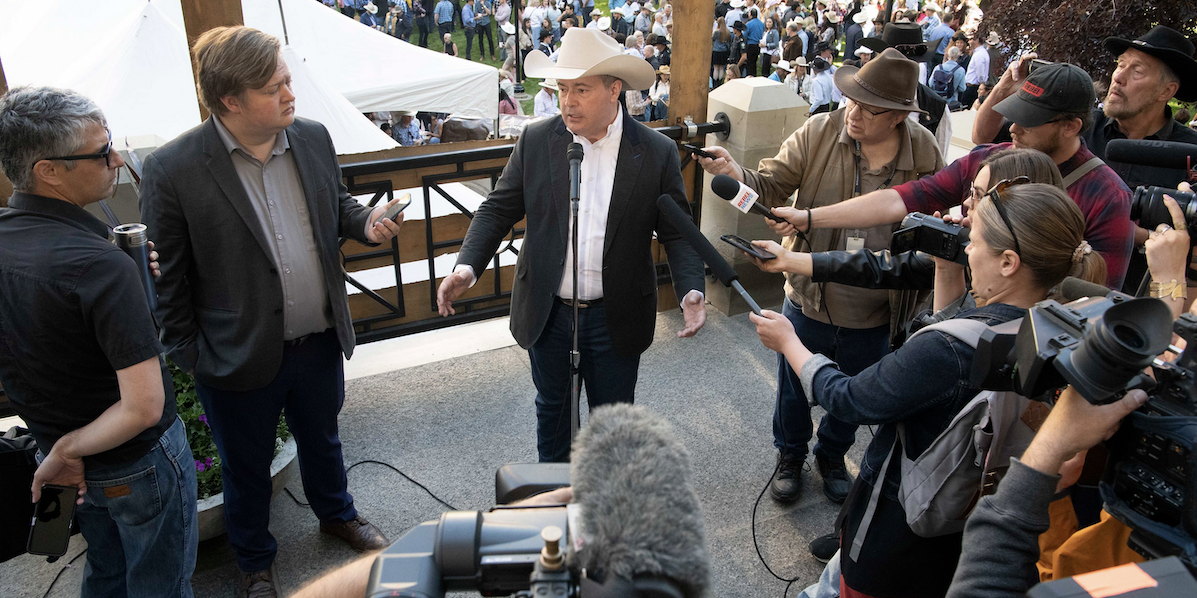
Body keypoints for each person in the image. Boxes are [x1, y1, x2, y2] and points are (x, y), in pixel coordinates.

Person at [139, 27, 403, 598]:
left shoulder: (310, 137)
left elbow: (336, 205)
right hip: (235, 354)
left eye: (288, 80)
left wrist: (364, 223)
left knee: (323, 437)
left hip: (318, 337)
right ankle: (255, 560)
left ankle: (337, 514)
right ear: (231, 101)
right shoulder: (173, 168)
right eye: (276, 85)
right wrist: (192, 355)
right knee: (245, 466)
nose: (291, 93)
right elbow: (170, 279)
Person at [753, 181, 1107, 598]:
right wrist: (946, 269)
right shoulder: (1068, 328)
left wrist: (791, 343)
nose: (966, 250)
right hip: (965, 519)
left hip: (899, 525)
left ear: (1009, 261)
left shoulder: (948, 349)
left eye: (973, 242)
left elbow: (849, 398)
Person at [435, 28, 707, 462]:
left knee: (613, 429)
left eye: (581, 89)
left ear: (614, 89)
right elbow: (497, 209)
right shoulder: (538, 139)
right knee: (553, 418)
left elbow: (677, 231)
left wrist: (692, 287)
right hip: (549, 313)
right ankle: (554, 518)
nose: (568, 102)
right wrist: (467, 267)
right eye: (562, 89)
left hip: (615, 315)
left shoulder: (655, 152)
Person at [696, 48, 944, 507]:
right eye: (850, 99)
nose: (853, 113)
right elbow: (768, 184)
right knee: (793, 388)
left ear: (897, 117)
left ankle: (832, 455)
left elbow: (930, 228)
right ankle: (789, 455)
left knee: (855, 391)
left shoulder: (925, 150)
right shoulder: (819, 129)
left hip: (874, 304)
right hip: (808, 294)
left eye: (869, 109)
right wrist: (732, 170)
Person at [0, 86, 197, 598]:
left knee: (105, 573)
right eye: (100, 150)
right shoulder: (98, 266)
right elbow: (144, 406)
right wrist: (68, 450)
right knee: (161, 585)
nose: (114, 158)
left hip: (58, 454)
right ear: (47, 170)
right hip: (129, 460)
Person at [768, 60, 1136, 290]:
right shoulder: (988, 158)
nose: (1012, 128)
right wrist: (810, 218)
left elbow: (1099, 297)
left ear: (1071, 126)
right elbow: (901, 199)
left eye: (1030, 120)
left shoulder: (1108, 196)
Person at [958, 30, 995, 108]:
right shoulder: (979, 53)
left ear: (977, 40)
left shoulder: (979, 54)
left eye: (971, 39)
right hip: (973, 86)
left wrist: (981, 85)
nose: (970, 42)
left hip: (973, 87)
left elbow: (980, 73)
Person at [744, 8, 764, 76]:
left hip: (750, 44)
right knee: (754, 62)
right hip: (758, 45)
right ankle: (754, 75)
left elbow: (745, 34)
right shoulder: (761, 23)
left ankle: (750, 76)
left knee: (750, 63)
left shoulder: (749, 24)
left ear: (750, 14)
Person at [712, 17, 732, 83]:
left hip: (716, 50)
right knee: (721, 68)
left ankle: (715, 82)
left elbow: (712, 39)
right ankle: (719, 82)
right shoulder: (727, 32)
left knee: (716, 68)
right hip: (724, 51)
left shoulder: (717, 32)